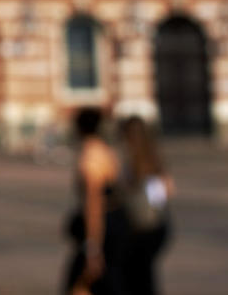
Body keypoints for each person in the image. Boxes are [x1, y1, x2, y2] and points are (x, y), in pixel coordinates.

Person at [63, 107, 128, 295]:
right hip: (117, 224)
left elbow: (94, 204)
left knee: (82, 284)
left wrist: (93, 248)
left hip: (103, 230)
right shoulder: (106, 150)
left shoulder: (90, 158)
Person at [120, 116, 173, 295]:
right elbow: (167, 191)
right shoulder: (153, 157)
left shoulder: (134, 162)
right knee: (145, 276)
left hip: (141, 228)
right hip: (157, 226)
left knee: (138, 279)